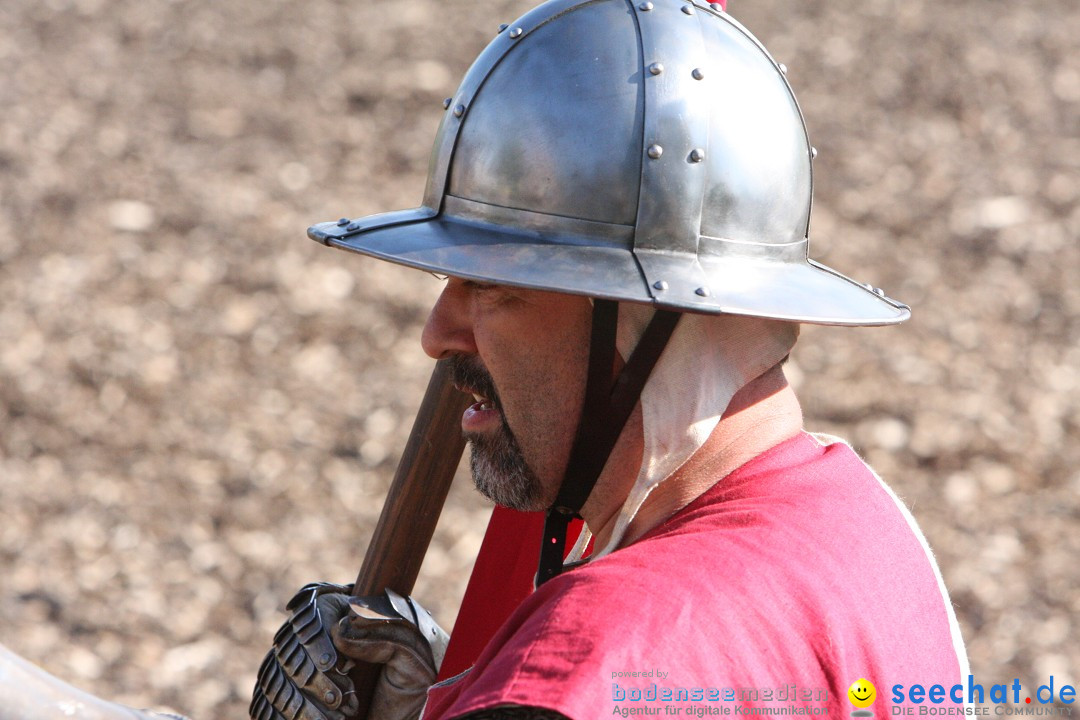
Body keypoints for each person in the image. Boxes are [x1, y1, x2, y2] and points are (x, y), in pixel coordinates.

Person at [249, 1, 968, 719]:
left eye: (493, 288)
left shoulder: (589, 665)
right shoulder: (874, 538)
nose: (437, 334)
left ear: (643, 322)